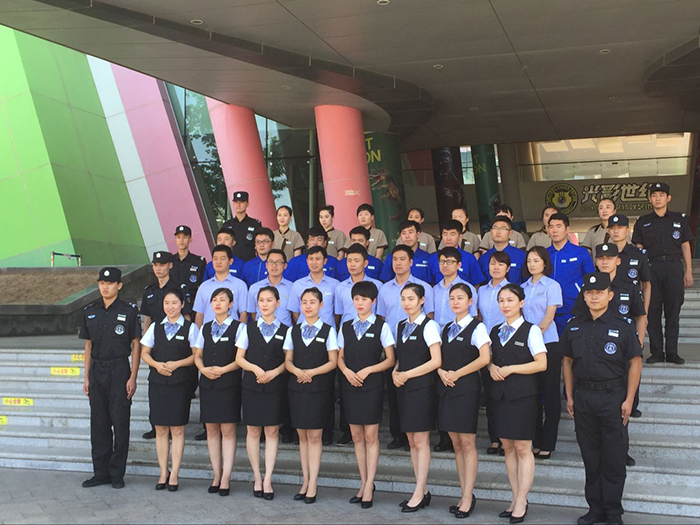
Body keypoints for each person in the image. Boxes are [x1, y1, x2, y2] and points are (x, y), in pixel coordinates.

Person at [562, 272, 642, 525]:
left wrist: (629, 399)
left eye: (599, 293)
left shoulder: (623, 326)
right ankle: (595, 508)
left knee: (614, 457)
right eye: (590, 293)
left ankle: (613, 511)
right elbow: (567, 361)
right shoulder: (574, 326)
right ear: (584, 296)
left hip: (613, 397)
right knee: (591, 456)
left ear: (610, 295)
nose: (594, 297)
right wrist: (569, 395)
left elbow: (635, 362)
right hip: (583, 396)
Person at [488, 284, 547, 523]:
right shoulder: (495, 331)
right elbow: (489, 359)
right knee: (508, 447)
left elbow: (541, 363)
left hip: (523, 396)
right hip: (500, 397)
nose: (505, 305)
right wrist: (491, 367)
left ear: (521, 303)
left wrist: (512, 369)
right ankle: (514, 497)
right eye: (501, 300)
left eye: (510, 300)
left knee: (523, 448)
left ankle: (522, 499)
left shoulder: (531, 330)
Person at [80, 267, 141, 489]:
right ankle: (101, 472)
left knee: (120, 423)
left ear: (119, 285)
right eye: (102, 283)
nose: (105, 287)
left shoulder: (129, 311)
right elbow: (88, 346)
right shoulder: (90, 311)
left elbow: (136, 344)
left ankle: (117, 473)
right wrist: (86, 377)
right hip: (97, 371)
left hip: (119, 370)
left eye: (110, 283)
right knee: (99, 424)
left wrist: (133, 376)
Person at [337, 282, 396, 509]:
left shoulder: (382, 326)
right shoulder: (346, 326)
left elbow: (390, 359)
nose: (360, 303)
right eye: (357, 299)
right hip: (350, 384)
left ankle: (370, 484)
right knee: (356, 436)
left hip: (371, 385)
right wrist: (346, 371)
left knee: (371, 436)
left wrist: (369, 370)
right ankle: (363, 483)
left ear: (373, 301)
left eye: (364, 299)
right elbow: (340, 356)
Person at [437, 283, 490, 518]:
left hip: (466, 388)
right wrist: (441, 372)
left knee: (467, 443)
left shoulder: (477, 327)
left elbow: (484, 358)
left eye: (460, 298)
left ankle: (468, 496)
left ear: (470, 302)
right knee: (456, 443)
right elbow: (439, 358)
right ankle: (463, 493)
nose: (455, 302)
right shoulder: (447, 328)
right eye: (452, 298)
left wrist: (457, 374)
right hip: (447, 387)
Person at [284, 287, 339, 504]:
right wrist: (297, 371)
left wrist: (312, 373)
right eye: (304, 302)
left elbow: (333, 361)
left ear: (321, 305)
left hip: (319, 389)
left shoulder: (328, 330)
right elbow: (288, 360)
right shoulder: (293, 330)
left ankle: (313, 484)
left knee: (315, 436)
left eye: (312, 302)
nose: (308, 306)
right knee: (302, 436)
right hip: (297, 387)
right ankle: (305, 481)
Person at [376, 245, 435, 450]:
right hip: (393, 346)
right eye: (395, 259)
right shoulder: (384, 289)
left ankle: (419, 435)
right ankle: (398, 435)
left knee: (417, 393)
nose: (398, 263)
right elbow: (381, 318)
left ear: (411, 262)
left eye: (402, 259)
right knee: (395, 394)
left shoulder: (423, 287)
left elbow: (429, 316)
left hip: (419, 347)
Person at [139, 288, 198, 491]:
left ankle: (175, 473)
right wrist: (156, 365)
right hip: (158, 383)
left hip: (180, 384)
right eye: (167, 303)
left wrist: (177, 364)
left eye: (174, 303)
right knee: (161, 428)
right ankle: (163, 472)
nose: (170, 307)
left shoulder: (190, 328)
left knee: (178, 429)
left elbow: (196, 356)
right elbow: (144, 353)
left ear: (182, 305)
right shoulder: (155, 326)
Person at [236, 286, 290, 501]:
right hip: (252, 385)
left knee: (272, 431)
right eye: (261, 300)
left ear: (278, 302)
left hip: (275, 386)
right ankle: (257, 477)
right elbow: (239, 358)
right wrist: (256, 369)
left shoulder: (286, 330)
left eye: (269, 300)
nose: (265, 304)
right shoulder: (247, 329)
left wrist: (274, 372)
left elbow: (288, 360)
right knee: (253, 431)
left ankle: (268, 479)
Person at [632, 181, 694, 365]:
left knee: (673, 312)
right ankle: (657, 352)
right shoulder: (643, 221)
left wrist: (689, 271)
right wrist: (640, 274)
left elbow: (685, 245)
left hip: (674, 267)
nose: (657, 198)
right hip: (651, 268)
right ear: (650, 199)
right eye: (654, 195)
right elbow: (639, 248)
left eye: (661, 195)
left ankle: (672, 352)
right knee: (652, 311)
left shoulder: (679, 219)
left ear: (668, 198)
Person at [393, 283, 442, 513]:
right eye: (403, 299)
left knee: (421, 441)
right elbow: (401, 357)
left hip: (422, 389)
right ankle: (422, 489)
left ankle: (418, 491)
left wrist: (407, 374)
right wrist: (396, 371)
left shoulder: (429, 325)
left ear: (422, 300)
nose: (406, 303)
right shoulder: (401, 325)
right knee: (412, 441)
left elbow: (436, 361)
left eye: (411, 299)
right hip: (404, 387)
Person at [193, 288, 245, 497]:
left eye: (222, 300)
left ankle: (226, 477)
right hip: (208, 383)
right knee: (212, 429)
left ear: (231, 304)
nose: (217, 303)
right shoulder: (206, 327)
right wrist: (203, 369)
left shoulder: (239, 327)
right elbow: (197, 355)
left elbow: (241, 358)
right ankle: (216, 474)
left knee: (228, 430)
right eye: (214, 300)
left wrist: (223, 370)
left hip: (229, 383)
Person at [140, 251, 194, 441]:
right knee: (157, 388)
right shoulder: (149, 290)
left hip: (178, 344)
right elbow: (147, 318)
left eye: (162, 264)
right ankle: (156, 426)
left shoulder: (178, 288)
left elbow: (186, 316)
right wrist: (145, 339)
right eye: (155, 265)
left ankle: (175, 424)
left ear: (170, 265)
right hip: (157, 341)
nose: (158, 268)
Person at [521, 247, 563, 459]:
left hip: (548, 343)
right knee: (533, 394)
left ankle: (548, 442)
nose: (532, 264)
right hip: (527, 346)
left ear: (545, 263)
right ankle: (535, 440)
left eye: (536, 260)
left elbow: (549, 315)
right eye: (529, 261)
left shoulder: (552, 286)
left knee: (551, 394)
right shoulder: (522, 288)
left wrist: (535, 335)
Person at [477, 251, 510, 455]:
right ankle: (494, 438)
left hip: (505, 343)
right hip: (485, 345)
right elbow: (479, 316)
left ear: (507, 268)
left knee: (505, 394)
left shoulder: (511, 290)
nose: (495, 267)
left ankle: (506, 438)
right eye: (492, 263)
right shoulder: (481, 290)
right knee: (490, 395)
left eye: (500, 264)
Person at [546, 213, 595, 336]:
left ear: (567, 229)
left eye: (558, 226)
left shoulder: (581, 253)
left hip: (574, 309)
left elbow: (590, 281)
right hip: (547, 311)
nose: (554, 230)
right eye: (551, 227)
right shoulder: (544, 255)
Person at [193, 245, 248, 327]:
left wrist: (240, 332)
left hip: (232, 331)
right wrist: (199, 333)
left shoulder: (240, 285)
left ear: (230, 261)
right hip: (208, 332)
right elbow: (199, 314)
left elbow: (244, 313)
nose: (218, 262)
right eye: (215, 259)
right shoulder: (204, 286)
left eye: (222, 259)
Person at [288, 246, 339, 326]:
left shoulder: (335, 285)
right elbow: (295, 312)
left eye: (318, 259)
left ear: (325, 261)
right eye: (311, 259)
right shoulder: (298, 285)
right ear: (307, 261)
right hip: (304, 330)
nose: (314, 262)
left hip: (328, 330)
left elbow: (337, 313)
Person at [335, 244, 384, 325]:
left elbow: (380, 314)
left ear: (365, 263)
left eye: (356, 261)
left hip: (371, 329)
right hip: (346, 330)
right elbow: (338, 314)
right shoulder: (340, 287)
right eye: (349, 261)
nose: (352, 264)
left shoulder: (377, 285)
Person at [432, 247, 478, 330]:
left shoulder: (468, 288)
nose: (445, 265)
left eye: (449, 262)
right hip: (435, 332)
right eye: (442, 261)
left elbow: (473, 315)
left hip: (457, 332)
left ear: (458, 265)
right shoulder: (435, 289)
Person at [428, 220, 484, 286]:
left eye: (452, 234)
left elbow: (476, 284)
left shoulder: (469, 259)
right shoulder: (433, 259)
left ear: (460, 236)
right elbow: (430, 284)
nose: (448, 238)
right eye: (445, 234)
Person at [248, 249, 294, 327]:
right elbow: (253, 313)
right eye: (271, 262)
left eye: (278, 262)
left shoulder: (292, 288)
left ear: (285, 266)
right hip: (261, 330)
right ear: (266, 265)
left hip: (285, 331)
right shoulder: (255, 288)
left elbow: (295, 314)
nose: (274, 265)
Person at [478, 216, 527, 285]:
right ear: (491, 232)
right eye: (495, 228)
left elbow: (527, 282)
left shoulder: (521, 256)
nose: (498, 232)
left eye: (503, 228)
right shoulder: (483, 258)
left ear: (510, 233)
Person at [222, 191, 262, 262]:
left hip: (249, 262)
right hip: (231, 263)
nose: (238, 205)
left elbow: (259, 244)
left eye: (242, 202)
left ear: (247, 204)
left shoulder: (255, 224)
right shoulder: (227, 225)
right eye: (236, 202)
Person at [170, 225, 206, 300]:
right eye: (178, 237)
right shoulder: (169, 261)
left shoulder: (198, 261)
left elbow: (203, 286)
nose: (181, 240)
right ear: (175, 240)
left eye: (185, 237)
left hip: (193, 301)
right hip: (173, 301)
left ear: (190, 239)